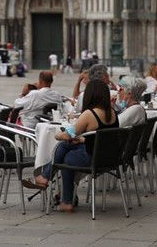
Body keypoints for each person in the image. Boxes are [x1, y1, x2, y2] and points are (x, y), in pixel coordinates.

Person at [23, 79, 118, 212]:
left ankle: (53, 186)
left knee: (66, 153)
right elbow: (103, 137)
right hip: (108, 157)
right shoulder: (112, 113)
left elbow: (69, 134)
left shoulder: (90, 114)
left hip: (93, 158)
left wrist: (58, 136)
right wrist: (83, 141)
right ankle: (50, 182)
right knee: (68, 147)